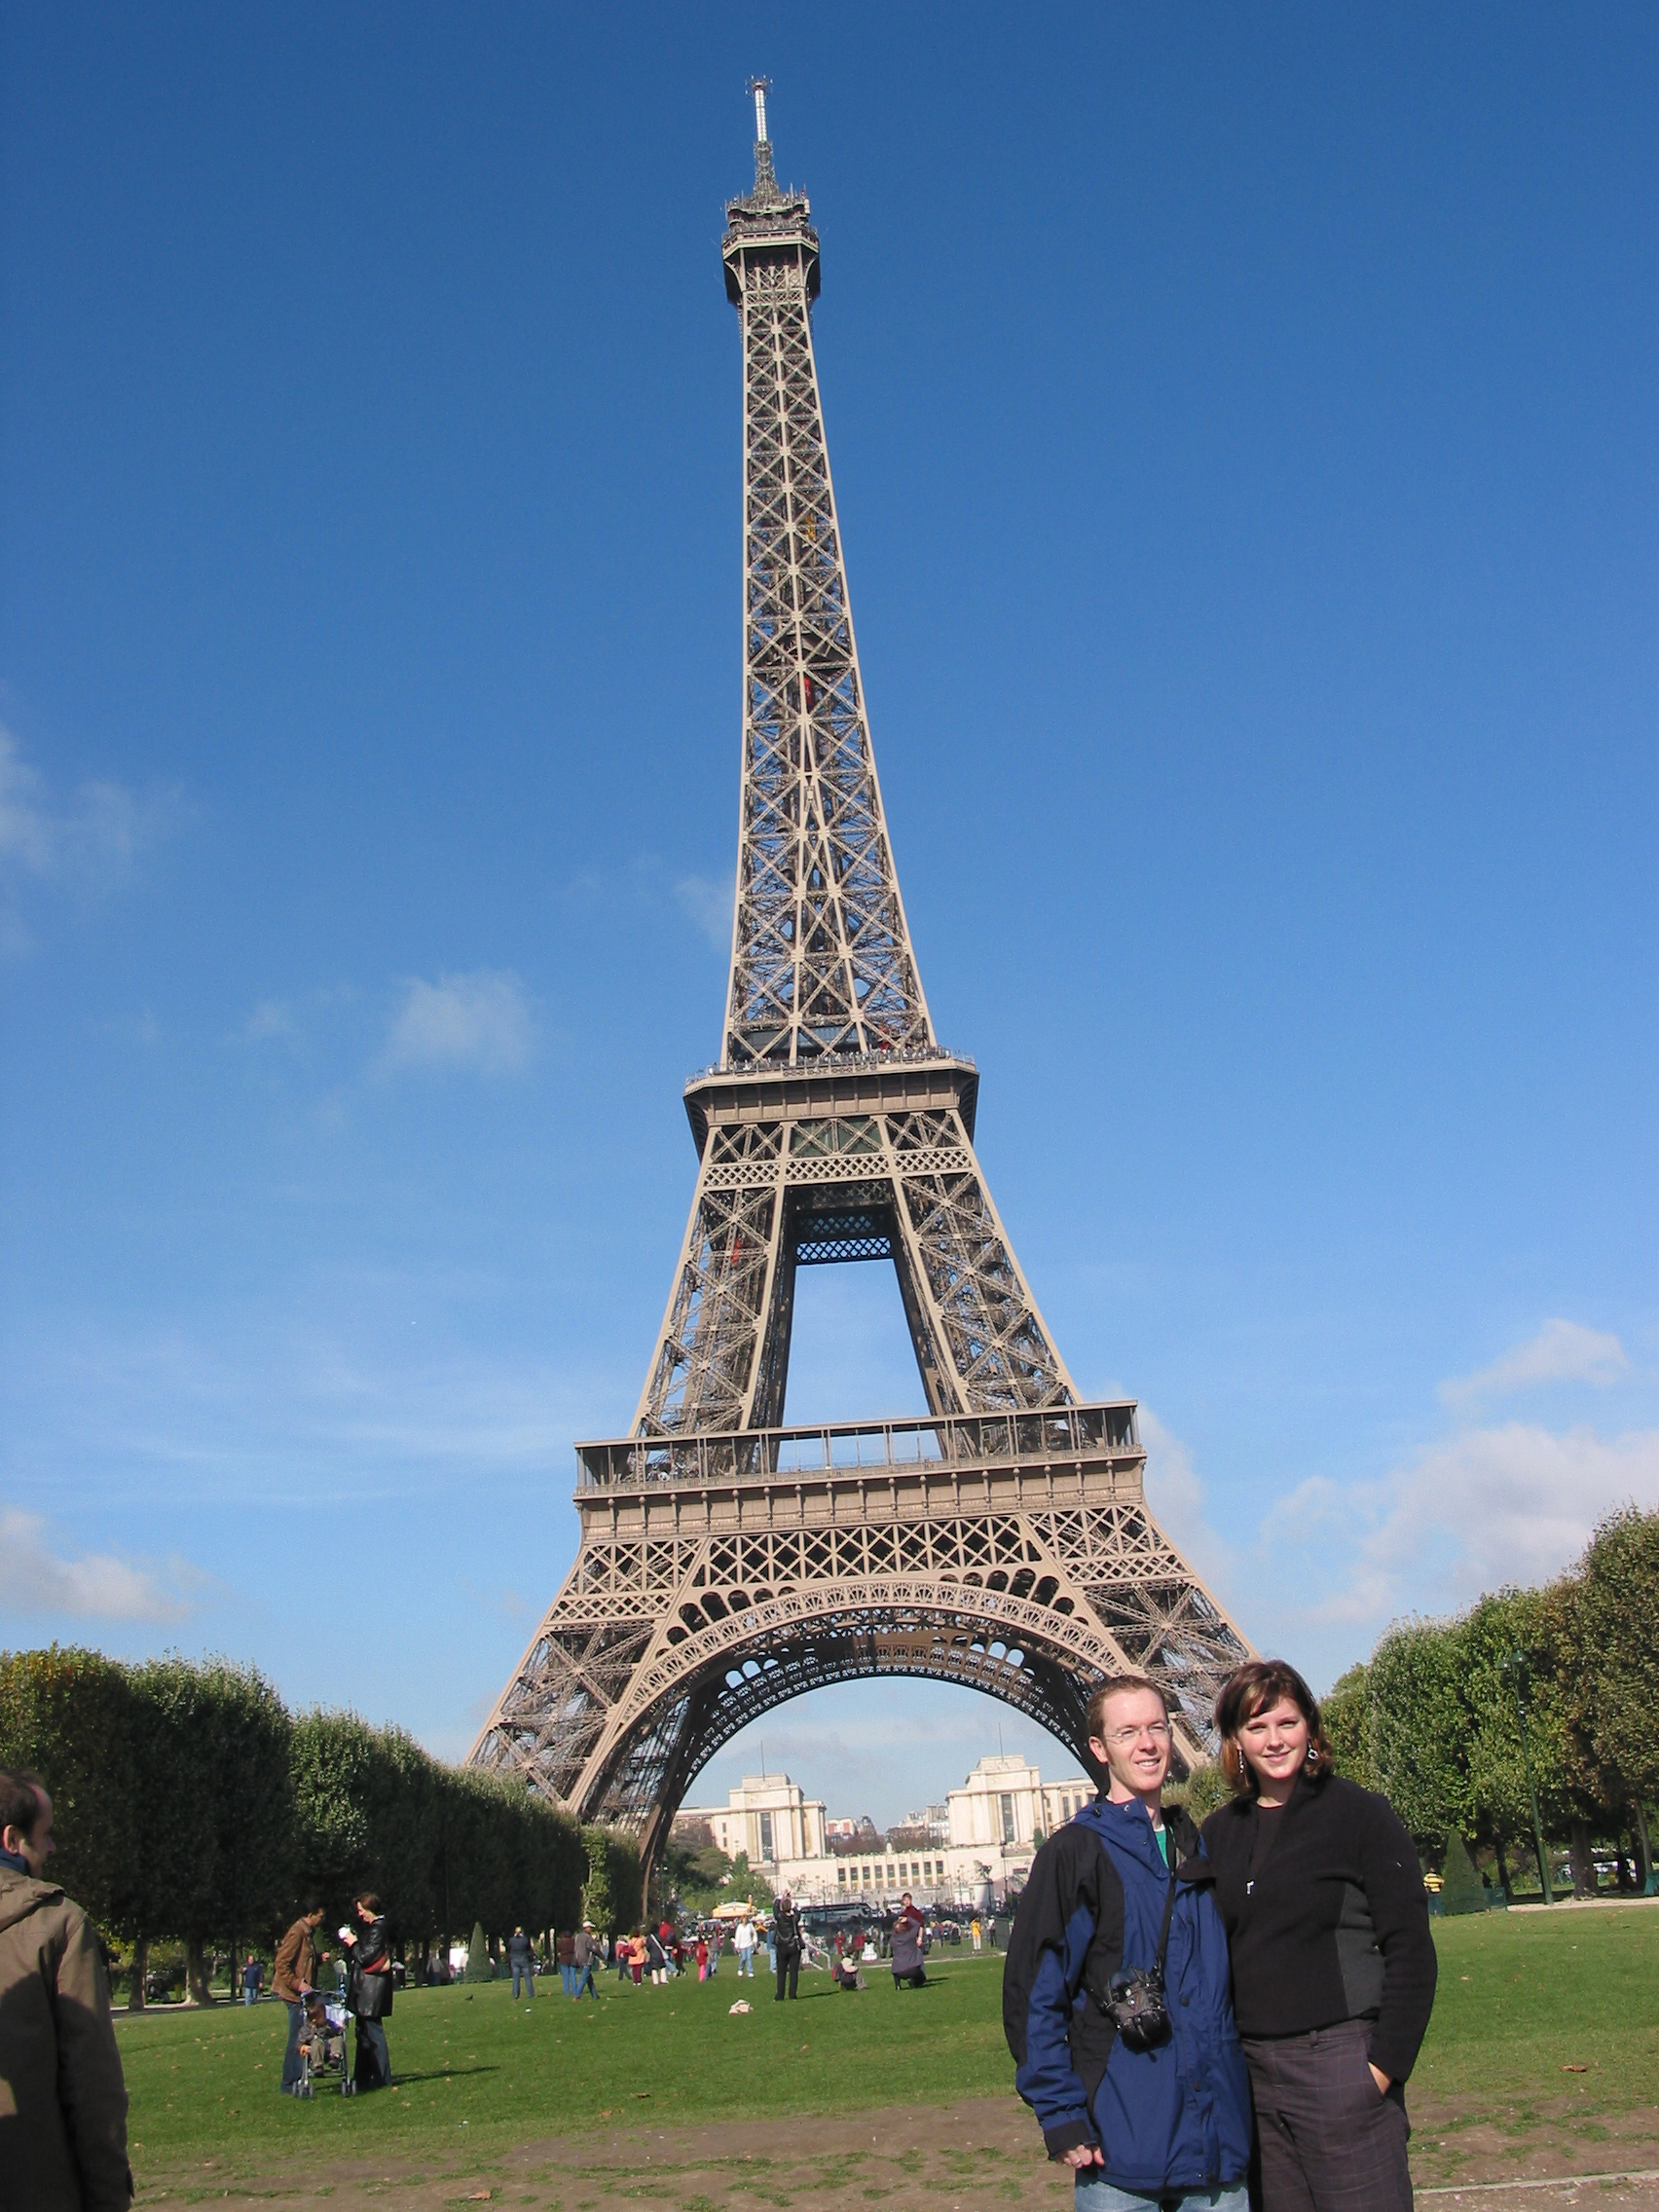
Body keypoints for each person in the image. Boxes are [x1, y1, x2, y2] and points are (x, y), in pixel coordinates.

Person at [1004, 1676, 1252, 2212]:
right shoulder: (1074, 1854)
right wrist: (1062, 2115)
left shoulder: (1201, 1847)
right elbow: (1035, 1993)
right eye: (1128, 1732)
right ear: (1099, 1748)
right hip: (1119, 2146)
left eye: (1157, 1727)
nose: (1148, 1743)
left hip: (1215, 2145)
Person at [1202, 1659, 1438, 2212]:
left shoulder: (1358, 1813)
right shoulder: (1218, 1832)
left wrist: (1380, 2071)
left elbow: (1410, 1947)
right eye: (1256, 1728)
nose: (1274, 1739)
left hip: (1340, 2062)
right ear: (1236, 1740)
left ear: (1310, 1726)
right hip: (1252, 2073)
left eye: (1286, 1723)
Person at [0, 1767, 132, 2210]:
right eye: (46, 1834)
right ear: (12, 1841)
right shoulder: (57, 1923)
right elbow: (93, 2086)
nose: (53, 1846)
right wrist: (109, 2194)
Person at [338, 1891, 393, 2091]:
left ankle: (382, 2077)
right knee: (363, 2035)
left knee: (373, 2034)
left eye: (361, 1910)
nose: (360, 1914)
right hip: (367, 1991)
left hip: (371, 1992)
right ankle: (362, 2078)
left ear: (370, 1909)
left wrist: (352, 1941)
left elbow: (364, 1956)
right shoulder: (375, 1929)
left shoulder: (378, 1930)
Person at [273, 1900, 330, 2094]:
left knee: (300, 2037)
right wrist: (298, 1983)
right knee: (296, 2039)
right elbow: (281, 1963)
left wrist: (319, 1959)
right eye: (320, 1916)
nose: (322, 1920)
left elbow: (303, 1961)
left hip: (302, 1995)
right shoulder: (297, 1932)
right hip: (293, 1996)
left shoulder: (307, 1934)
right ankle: (289, 2082)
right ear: (311, 1914)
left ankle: (297, 2078)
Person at [890, 1893, 927, 1989]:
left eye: (908, 1900)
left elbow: (920, 1925)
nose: (906, 1902)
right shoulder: (903, 1913)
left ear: (911, 1900)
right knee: (908, 1958)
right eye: (904, 1900)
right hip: (906, 1938)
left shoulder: (915, 1912)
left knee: (917, 1958)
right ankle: (914, 1978)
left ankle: (919, 1977)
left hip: (912, 1937)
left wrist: (920, 1937)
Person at [772, 1891, 803, 2002]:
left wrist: (780, 1897)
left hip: (781, 1947)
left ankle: (780, 1995)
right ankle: (792, 1994)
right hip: (794, 1946)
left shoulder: (779, 1917)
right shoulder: (794, 1918)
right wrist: (792, 1901)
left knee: (781, 1972)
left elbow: (775, 1908)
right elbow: (798, 1911)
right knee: (793, 1972)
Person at [571, 1921, 599, 2001]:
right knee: (583, 1978)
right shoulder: (588, 1938)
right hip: (587, 1959)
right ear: (586, 1928)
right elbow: (594, 1949)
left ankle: (594, 1995)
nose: (591, 1929)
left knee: (589, 1978)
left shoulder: (577, 1936)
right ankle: (577, 1995)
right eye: (590, 1928)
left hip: (578, 1959)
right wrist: (602, 1956)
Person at [508, 1925, 535, 2001]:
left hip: (514, 1959)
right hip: (523, 1958)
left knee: (516, 1978)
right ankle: (530, 1993)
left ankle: (515, 1994)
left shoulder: (511, 1940)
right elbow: (528, 1948)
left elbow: (509, 1948)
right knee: (527, 1978)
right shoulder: (525, 1940)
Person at [733, 1913, 756, 1977]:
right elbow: (737, 1936)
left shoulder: (750, 1925)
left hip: (749, 1944)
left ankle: (750, 1971)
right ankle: (740, 1969)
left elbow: (754, 1933)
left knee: (749, 1958)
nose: (745, 1920)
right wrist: (737, 1945)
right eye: (744, 1919)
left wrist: (754, 1941)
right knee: (743, 1958)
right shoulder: (739, 1927)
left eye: (746, 1919)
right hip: (742, 1945)